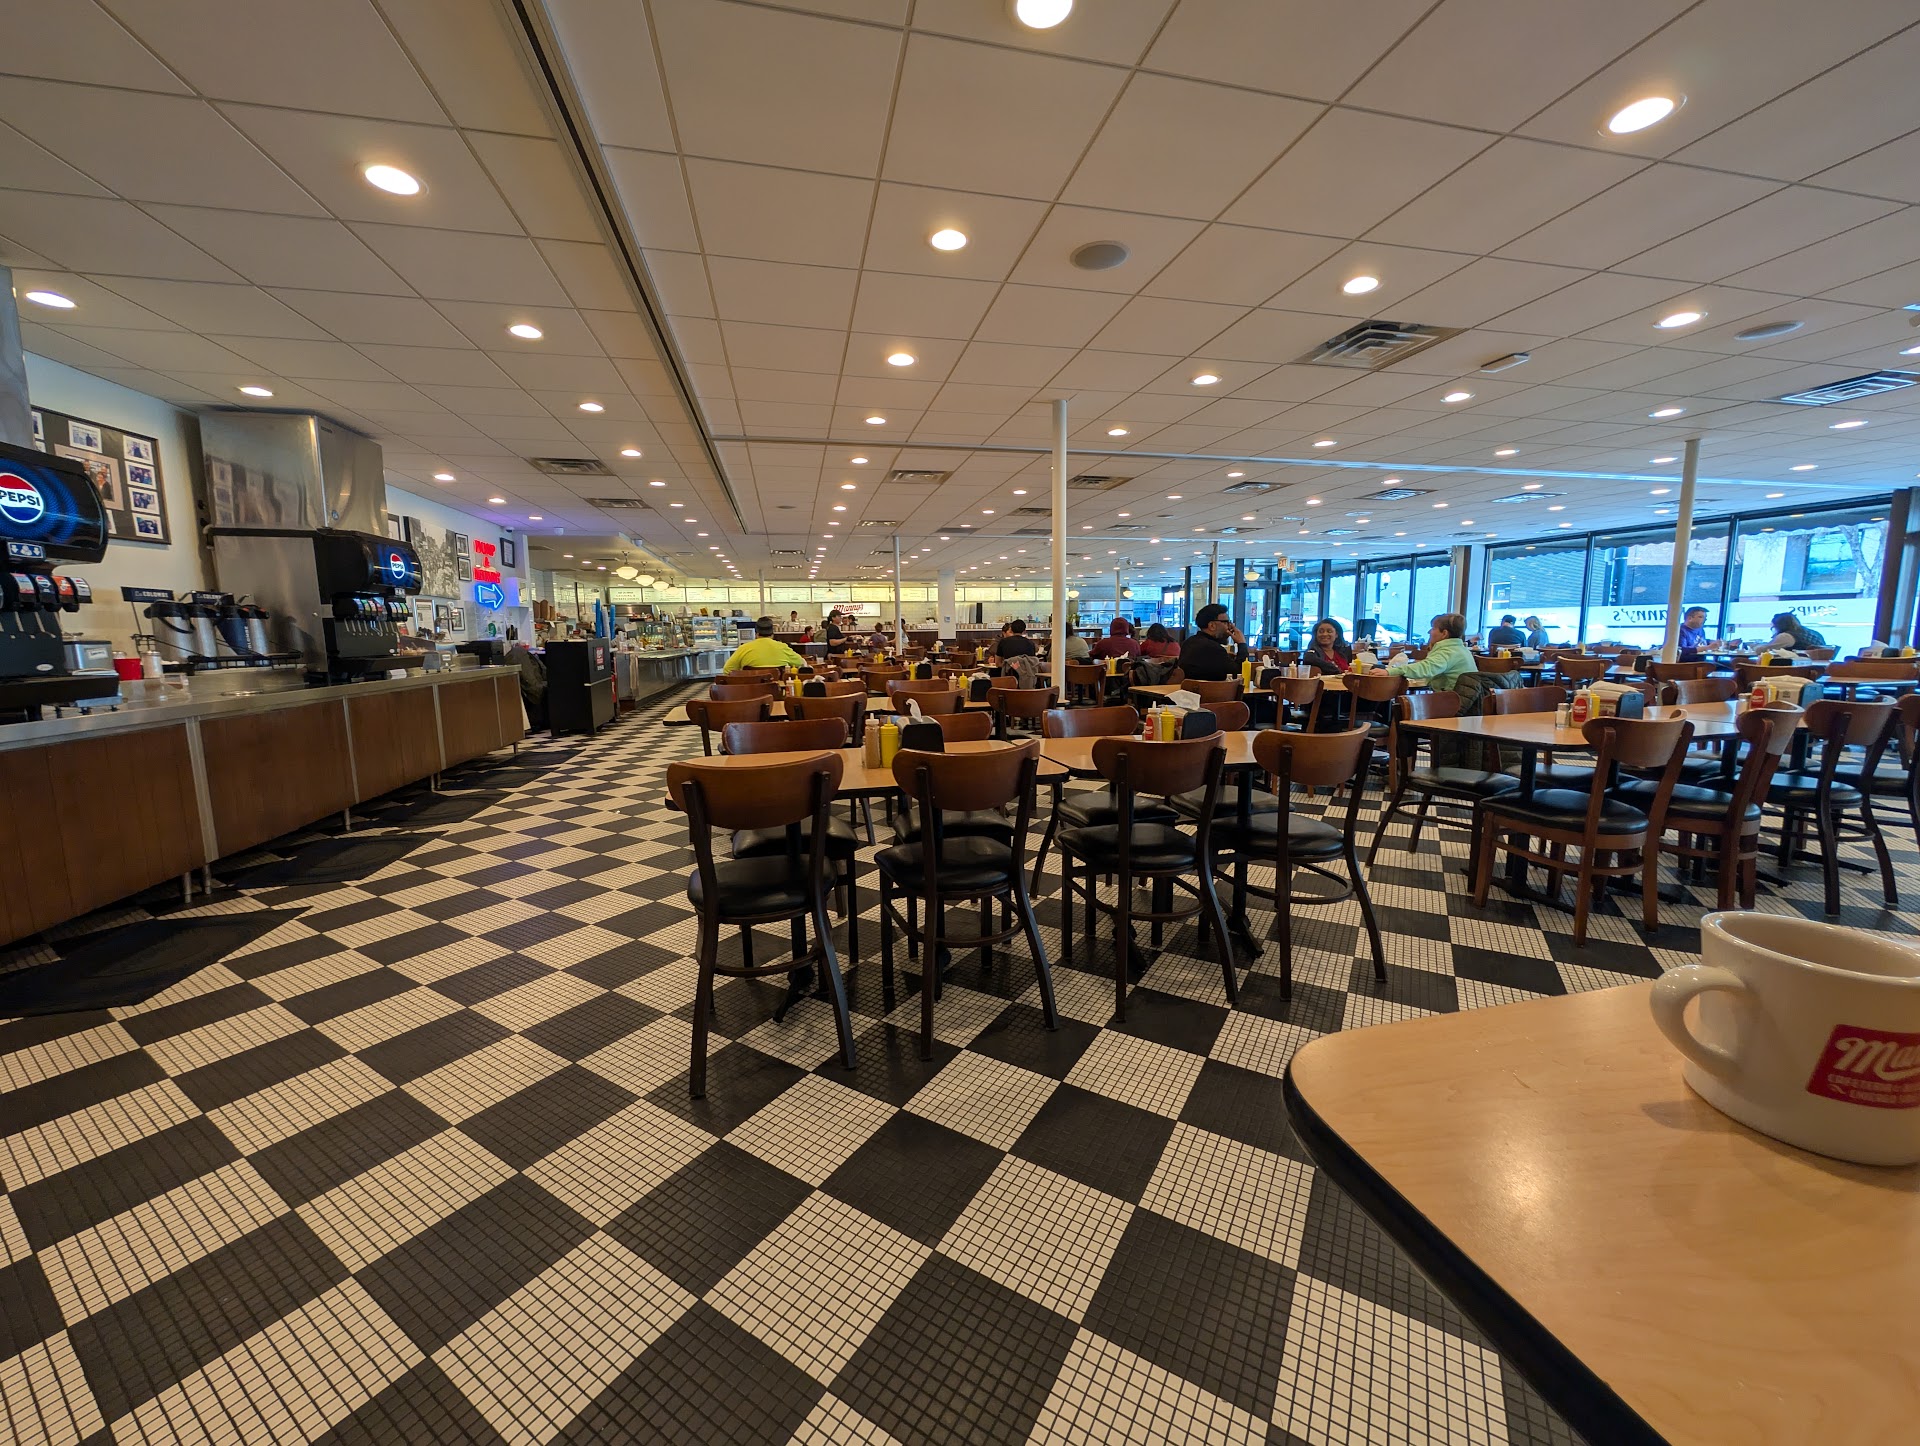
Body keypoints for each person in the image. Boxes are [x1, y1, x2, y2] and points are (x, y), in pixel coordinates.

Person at [1387, 613, 1476, 690]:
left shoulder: (1447, 651)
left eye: (1433, 628)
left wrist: (1389, 672)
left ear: (1444, 634)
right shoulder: (1459, 649)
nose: (1429, 632)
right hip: (1465, 699)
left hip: (1452, 701)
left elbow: (1425, 668)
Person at [1177, 603, 1245, 681]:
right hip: (1212, 689)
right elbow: (1239, 672)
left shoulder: (1189, 643)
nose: (1230, 627)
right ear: (1212, 626)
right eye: (1226, 622)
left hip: (1188, 688)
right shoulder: (1213, 648)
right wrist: (1242, 643)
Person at [722, 616, 807, 672]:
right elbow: (801, 663)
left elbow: (727, 669)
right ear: (772, 634)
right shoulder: (783, 647)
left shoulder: (743, 648)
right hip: (776, 692)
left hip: (749, 691)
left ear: (756, 634)